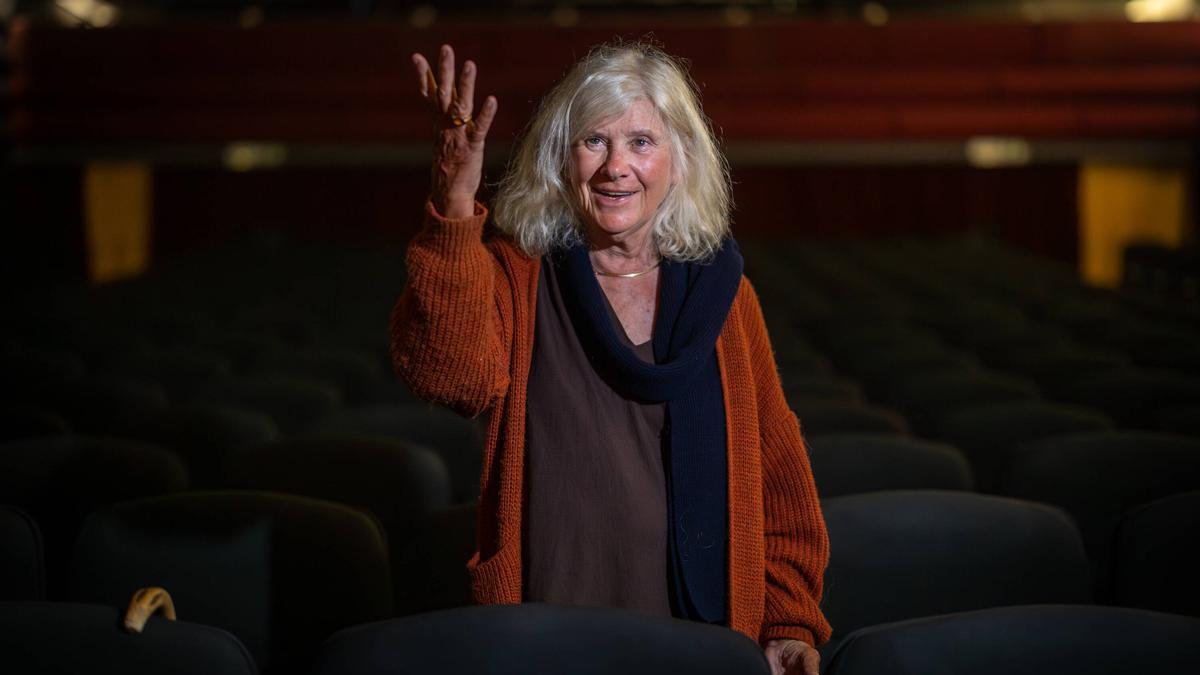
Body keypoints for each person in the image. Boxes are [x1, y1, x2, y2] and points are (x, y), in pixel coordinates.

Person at [391, 41, 831, 675]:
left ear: (680, 160)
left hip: (696, 635)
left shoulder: (724, 294)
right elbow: (450, 377)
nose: (615, 167)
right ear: (560, 158)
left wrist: (788, 619)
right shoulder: (520, 275)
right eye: (594, 141)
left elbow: (777, 468)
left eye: (642, 143)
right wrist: (455, 208)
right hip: (547, 631)